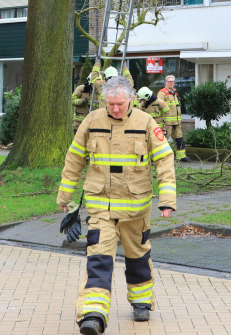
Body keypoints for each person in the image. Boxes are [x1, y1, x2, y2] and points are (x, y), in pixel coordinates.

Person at [57, 76, 176, 335]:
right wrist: (65, 197)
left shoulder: (146, 122)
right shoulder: (92, 121)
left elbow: (165, 160)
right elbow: (74, 158)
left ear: (131, 99)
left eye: (120, 104)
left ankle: (142, 301)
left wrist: (167, 200)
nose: (115, 109)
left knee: (138, 258)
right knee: (98, 260)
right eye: (110, 104)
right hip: (100, 209)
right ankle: (93, 314)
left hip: (136, 209)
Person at [158, 75, 189, 162]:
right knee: (164, 140)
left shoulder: (175, 93)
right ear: (166, 82)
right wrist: (165, 121)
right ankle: (160, 158)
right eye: (169, 81)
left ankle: (181, 156)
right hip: (167, 122)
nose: (171, 83)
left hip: (177, 122)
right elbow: (159, 107)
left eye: (172, 82)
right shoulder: (162, 93)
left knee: (179, 139)